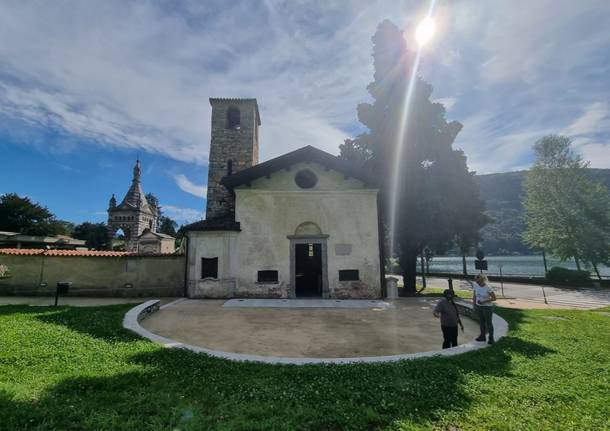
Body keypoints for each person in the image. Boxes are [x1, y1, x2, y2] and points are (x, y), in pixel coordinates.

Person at [472, 274, 496, 344]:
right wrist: (474, 305)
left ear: (483, 280)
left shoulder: (488, 287)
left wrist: (483, 301)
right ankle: (482, 336)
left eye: (478, 281)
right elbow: (474, 295)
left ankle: (491, 338)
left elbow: (494, 298)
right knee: (481, 322)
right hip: (478, 306)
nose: (477, 282)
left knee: (488, 323)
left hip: (487, 307)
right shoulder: (475, 285)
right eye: (476, 281)